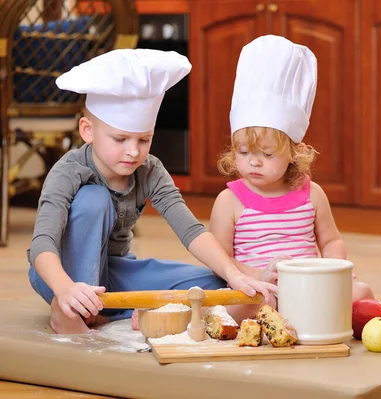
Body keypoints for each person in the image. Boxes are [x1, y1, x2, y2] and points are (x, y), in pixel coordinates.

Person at [27, 49, 276, 334]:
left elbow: (190, 230)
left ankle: (109, 308)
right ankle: (74, 311)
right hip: (59, 276)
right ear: (87, 130)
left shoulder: (150, 169)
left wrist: (233, 273)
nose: (133, 151)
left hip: (114, 271)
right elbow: (42, 244)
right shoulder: (67, 171)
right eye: (120, 139)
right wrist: (65, 288)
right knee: (93, 199)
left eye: (144, 139)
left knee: (216, 283)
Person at [209, 35, 374, 311]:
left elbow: (331, 240)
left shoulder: (312, 194)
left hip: (309, 289)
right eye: (243, 152)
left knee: (363, 291)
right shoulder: (229, 201)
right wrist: (257, 277)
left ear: (294, 153)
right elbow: (221, 261)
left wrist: (333, 268)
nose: (254, 162)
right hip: (257, 291)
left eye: (267, 154)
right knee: (227, 308)